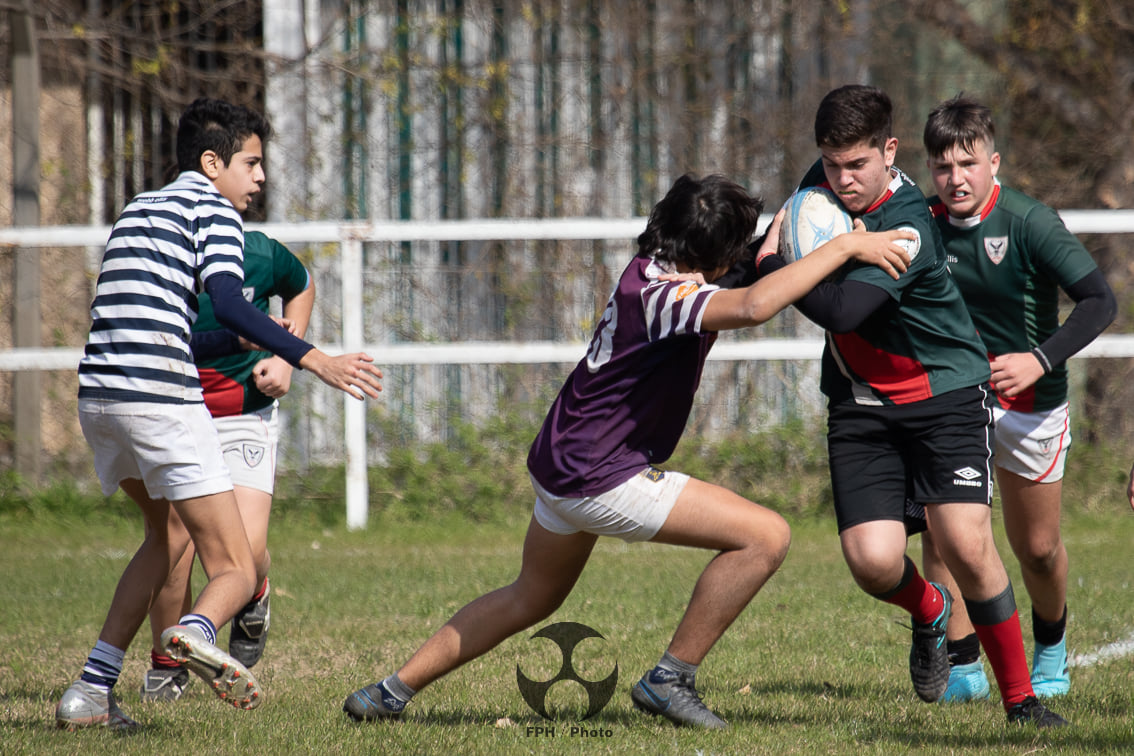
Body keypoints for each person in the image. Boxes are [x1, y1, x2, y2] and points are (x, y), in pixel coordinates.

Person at [341, 173, 913, 729]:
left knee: (530, 595)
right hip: (599, 474)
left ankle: (389, 691)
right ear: (712, 256)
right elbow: (751, 306)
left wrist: (775, 238)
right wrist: (845, 245)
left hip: (560, 460)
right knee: (766, 536)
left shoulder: (650, 268)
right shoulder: (670, 297)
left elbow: (735, 278)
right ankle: (670, 679)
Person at [719, 85, 1068, 728]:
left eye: (857, 164)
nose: (843, 180)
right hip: (861, 403)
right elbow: (776, 245)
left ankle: (1022, 700)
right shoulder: (819, 189)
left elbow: (844, 309)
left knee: (966, 542)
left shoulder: (908, 218)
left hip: (945, 393)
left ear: (889, 150)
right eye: (831, 164)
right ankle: (931, 611)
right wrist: (746, 268)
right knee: (873, 563)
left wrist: (788, 265)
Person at [56, 97, 383, 730]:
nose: (260, 178)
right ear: (213, 162)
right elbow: (231, 304)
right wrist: (318, 361)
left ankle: (91, 691)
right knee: (233, 564)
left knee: (164, 536)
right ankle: (196, 631)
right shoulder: (213, 211)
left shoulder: (136, 209)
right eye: (252, 163)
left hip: (98, 397)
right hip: (161, 402)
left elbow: (170, 331)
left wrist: (236, 344)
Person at [919, 95, 1116, 702]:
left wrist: (1038, 359)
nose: (956, 178)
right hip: (957, 399)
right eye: (944, 166)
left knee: (1036, 548)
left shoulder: (1030, 222)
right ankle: (964, 666)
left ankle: (1051, 646)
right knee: (945, 532)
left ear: (994, 163)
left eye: (968, 164)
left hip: (1032, 407)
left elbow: (1100, 302)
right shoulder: (922, 222)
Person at [139, 230, 315, 702]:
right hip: (175, 407)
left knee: (247, 551)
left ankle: (253, 591)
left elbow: (301, 284)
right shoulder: (158, 255)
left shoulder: (258, 251)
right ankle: (166, 662)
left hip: (244, 413)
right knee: (174, 540)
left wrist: (283, 358)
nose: (258, 178)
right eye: (249, 165)